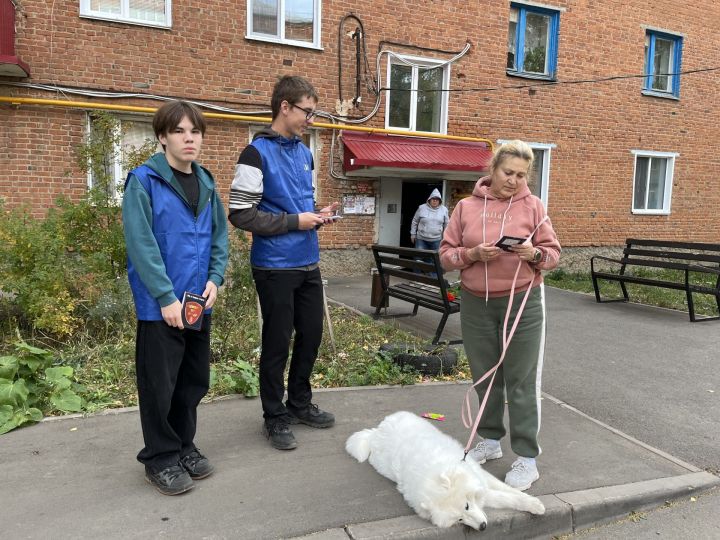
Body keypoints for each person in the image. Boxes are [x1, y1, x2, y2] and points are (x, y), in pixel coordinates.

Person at [439, 140, 560, 491]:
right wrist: (472, 253)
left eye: (522, 175)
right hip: (477, 304)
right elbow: (446, 255)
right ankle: (490, 441)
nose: (514, 181)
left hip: (522, 303)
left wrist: (534, 253)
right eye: (508, 172)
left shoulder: (534, 207)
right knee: (485, 378)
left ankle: (527, 459)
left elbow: (553, 255)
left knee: (521, 382)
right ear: (492, 169)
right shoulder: (465, 207)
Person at [122, 100, 228, 495]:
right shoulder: (144, 181)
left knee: (192, 381)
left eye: (195, 131)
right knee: (159, 385)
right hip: (161, 306)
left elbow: (219, 236)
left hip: (198, 300)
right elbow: (142, 244)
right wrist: (165, 297)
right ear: (163, 136)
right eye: (180, 131)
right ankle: (160, 457)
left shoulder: (206, 181)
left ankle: (184, 446)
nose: (189, 139)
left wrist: (216, 277)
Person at [228, 75, 338, 451]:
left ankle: (300, 404)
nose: (311, 119)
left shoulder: (305, 153)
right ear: (285, 107)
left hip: (308, 261)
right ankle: (275, 418)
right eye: (307, 111)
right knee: (277, 343)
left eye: (313, 112)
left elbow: (297, 206)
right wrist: (295, 221)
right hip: (274, 266)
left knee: (311, 337)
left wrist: (318, 214)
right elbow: (241, 214)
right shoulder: (255, 153)